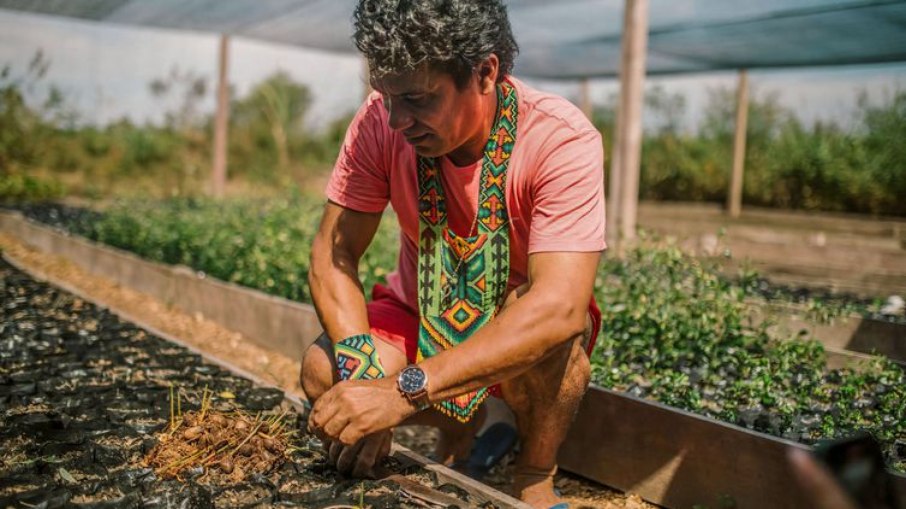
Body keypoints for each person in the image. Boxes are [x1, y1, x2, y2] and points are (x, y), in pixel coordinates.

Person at [300, 1, 606, 507]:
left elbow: (559, 307)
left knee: (557, 343)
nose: (397, 120)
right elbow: (332, 256)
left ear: (485, 72)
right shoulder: (379, 123)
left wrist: (398, 393)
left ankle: (534, 474)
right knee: (320, 368)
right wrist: (363, 381)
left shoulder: (559, 139)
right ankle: (469, 427)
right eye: (386, 96)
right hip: (420, 314)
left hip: (517, 332)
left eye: (418, 99)